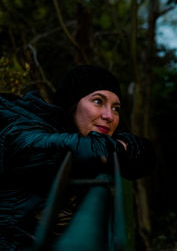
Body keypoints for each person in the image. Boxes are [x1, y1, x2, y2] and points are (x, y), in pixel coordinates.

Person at [0, 65, 154, 250]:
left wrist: (127, 148)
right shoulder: (20, 125)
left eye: (116, 108)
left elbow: (145, 157)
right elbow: (45, 149)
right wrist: (121, 149)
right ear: (72, 104)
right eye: (98, 101)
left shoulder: (81, 134)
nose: (109, 116)